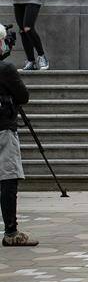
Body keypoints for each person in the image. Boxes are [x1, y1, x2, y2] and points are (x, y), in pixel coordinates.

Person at [0, 25, 32, 246]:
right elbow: (23, 96)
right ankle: (11, 232)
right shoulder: (6, 69)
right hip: (3, 129)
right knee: (8, 178)